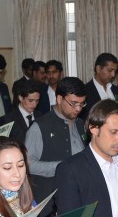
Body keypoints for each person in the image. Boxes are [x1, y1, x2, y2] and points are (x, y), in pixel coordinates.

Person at [25, 77, 87, 209]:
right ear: (59, 99)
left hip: (79, 196)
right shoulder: (40, 127)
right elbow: (27, 165)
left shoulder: (81, 124)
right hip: (49, 204)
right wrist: (61, 167)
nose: (78, 109)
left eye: (82, 104)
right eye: (73, 103)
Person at [0, 80, 42, 144]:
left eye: (37, 101)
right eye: (30, 100)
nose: (34, 104)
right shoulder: (7, 120)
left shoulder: (40, 116)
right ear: (21, 98)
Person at [82, 52, 118, 118]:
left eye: (115, 71)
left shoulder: (115, 90)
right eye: (110, 70)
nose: (113, 74)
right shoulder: (85, 90)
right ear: (98, 69)